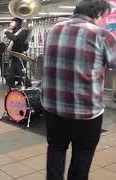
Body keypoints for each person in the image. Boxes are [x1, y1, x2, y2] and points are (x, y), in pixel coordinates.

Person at [42, 0, 116, 180]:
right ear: (97, 14)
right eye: (105, 17)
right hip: (86, 112)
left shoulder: (53, 29)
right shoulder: (102, 35)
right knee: (82, 155)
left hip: (53, 108)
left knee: (56, 149)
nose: (105, 21)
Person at [4, 17, 29, 88]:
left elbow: (17, 40)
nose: (10, 24)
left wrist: (6, 32)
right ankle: (11, 88)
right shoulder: (14, 32)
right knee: (10, 74)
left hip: (20, 56)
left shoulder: (23, 31)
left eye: (12, 22)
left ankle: (28, 86)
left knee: (21, 74)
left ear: (17, 23)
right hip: (14, 56)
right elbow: (13, 39)